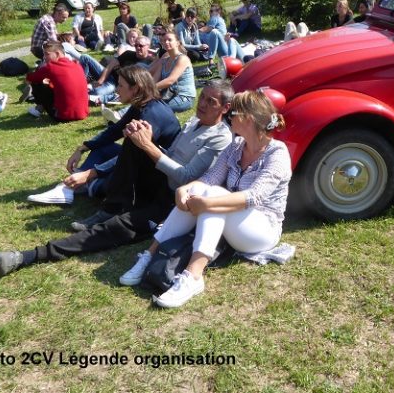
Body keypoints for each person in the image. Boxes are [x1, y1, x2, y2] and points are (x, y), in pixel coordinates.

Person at [0, 77, 226, 278]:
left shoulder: (219, 138)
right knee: (134, 142)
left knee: (115, 228)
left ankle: (29, 256)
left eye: (211, 102)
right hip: (156, 182)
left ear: (224, 108)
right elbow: (147, 148)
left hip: (171, 201)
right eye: (202, 97)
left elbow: (185, 178)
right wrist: (141, 142)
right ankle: (113, 203)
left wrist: (148, 146)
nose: (202, 104)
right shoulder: (193, 122)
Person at [119, 90, 292, 308]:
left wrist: (207, 203)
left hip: (262, 231)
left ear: (247, 119)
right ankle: (149, 255)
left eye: (233, 114)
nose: (229, 119)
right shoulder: (236, 146)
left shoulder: (277, 152)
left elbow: (254, 196)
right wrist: (185, 190)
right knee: (202, 191)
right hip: (236, 223)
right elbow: (210, 178)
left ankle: (194, 276)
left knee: (214, 195)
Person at [25, 65, 183, 207]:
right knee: (102, 149)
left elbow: (131, 155)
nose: (116, 90)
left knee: (111, 181)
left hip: (155, 176)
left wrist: (90, 174)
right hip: (142, 163)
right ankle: (69, 188)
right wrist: (83, 148)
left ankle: (85, 185)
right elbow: (115, 130)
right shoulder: (142, 104)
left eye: (121, 85)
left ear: (135, 89)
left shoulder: (152, 114)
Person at [24, 40, 89, 121]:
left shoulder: (51, 67)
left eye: (47, 54)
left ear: (57, 53)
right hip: (83, 114)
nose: (44, 57)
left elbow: (30, 78)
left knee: (37, 84)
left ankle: (39, 108)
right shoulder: (76, 64)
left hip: (63, 116)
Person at [88, 36, 156, 105]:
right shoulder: (128, 54)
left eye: (141, 46)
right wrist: (100, 81)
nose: (138, 48)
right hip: (110, 77)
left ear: (148, 46)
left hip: (116, 86)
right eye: (136, 45)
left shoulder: (151, 62)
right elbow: (111, 65)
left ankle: (88, 94)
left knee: (96, 92)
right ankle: (82, 83)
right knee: (85, 58)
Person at [149, 31, 196, 112]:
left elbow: (170, 81)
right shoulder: (164, 60)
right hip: (168, 95)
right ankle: (122, 113)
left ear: (177, 43)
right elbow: (154, 80)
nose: (166, 42)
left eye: (169, 40)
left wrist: (148, 88)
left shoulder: (182, 59)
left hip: (184, 97)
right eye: (164, 40)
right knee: (144, 103)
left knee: (154, 108)